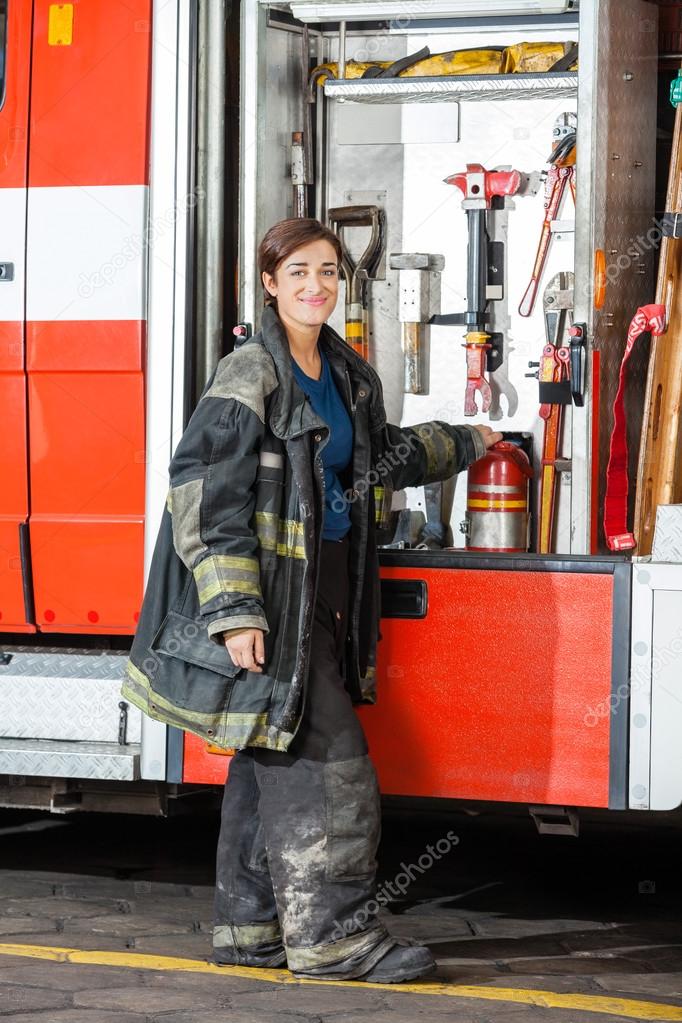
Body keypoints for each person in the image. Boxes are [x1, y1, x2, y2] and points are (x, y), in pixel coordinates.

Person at [121, 217, 501, 984]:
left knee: (272, 745)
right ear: (270, 282)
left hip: (325, 586)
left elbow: (379, 455)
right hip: (269, 598)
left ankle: (250, 927)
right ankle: (335, 939)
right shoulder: (249, 374)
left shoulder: (345, 373)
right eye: (298, 271)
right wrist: (235, 611)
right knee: (330, 758)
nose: (315, 285)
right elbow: (204, 494)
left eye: (328, 271)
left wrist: (469, 439)